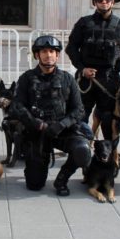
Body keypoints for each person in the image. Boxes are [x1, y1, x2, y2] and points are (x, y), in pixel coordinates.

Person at [66, 0, 120, 168]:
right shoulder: (84, 23)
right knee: (81, 117)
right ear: (94, 2)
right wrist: (82, 68)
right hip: (87, 79)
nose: (104, 2)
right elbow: (71, 48)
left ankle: (110, 155)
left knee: (109, 120)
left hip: (110, 79)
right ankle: (79, 153)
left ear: (113, 2)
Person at [10, 35, 92, 196]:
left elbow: (79, 109)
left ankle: (62, 179)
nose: (49, 55)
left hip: (62, 130)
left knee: (83, 150)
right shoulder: (26, 78)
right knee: (34, 184)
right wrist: (37, 123)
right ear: (37, 55)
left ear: (58, 55)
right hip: (37, 132)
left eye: (53, 52)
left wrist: (62, 124)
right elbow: (17, 107)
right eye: (44, 51)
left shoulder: (68, 79)